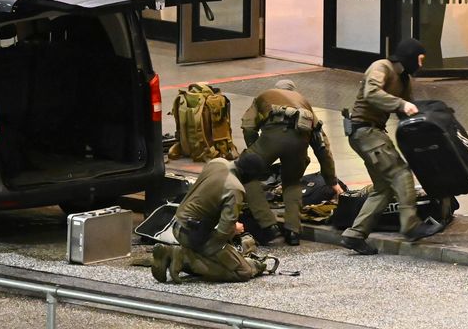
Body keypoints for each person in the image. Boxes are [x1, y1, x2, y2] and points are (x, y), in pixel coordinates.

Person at [340, 38, 444, 255]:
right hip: (365, 131)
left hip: (371, 133)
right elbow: (372, 93)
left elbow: (408, 112)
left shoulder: (404, 79)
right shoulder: (381, 67)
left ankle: (355, 235)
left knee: (384, 188)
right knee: (400, 174)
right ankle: (410, 226)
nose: (421, 65)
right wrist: (402, 104)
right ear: (409, 56)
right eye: (420, 59)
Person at [240, 79, 343, 246]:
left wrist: (254, 155)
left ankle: (268, 225)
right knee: (292, 182)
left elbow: (248, 127)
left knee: (245, 174)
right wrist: (332, 180)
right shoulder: (304, 104)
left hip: (270, 140)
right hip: (299, 145)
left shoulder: (265, 97)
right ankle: (293, 231)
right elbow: (322, 145)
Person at [150, 152, 277, 283]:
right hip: (193, 234)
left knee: (227, 255)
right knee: (243, 272)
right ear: (249, 176)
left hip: (178, 223)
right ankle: (182, 257)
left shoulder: (217, 162)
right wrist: (233, 231)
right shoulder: (235, 189)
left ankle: (179, 256)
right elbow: (222, 233)